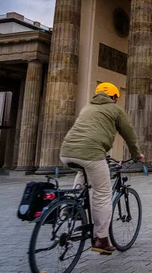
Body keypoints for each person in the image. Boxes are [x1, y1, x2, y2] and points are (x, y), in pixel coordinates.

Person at [60, 82, 144, 255]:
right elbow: (129, 134)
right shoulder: (115, 109)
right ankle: (102, 239)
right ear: (114, 97)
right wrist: (137, 154)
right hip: (91, 152)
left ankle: (70, 208)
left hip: (67, 151)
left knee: (82, 171)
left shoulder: (87, 107)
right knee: (103, 193)